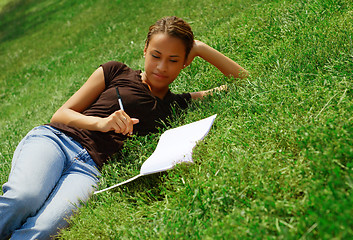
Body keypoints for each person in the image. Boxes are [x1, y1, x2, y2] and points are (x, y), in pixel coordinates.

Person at [0, 16, 248, 239]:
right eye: (155, 55)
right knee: (24, 198)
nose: (162, 67)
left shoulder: (174, 104)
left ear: (185, 62)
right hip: (56, 141)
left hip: (89, 169)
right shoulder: (116, 71)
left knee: (45, 229)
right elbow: (60, 115)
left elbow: (240, 80)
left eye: (173, 60)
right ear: (144, 51)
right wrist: (103, 123)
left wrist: (200, 48)